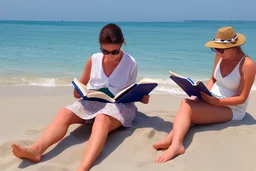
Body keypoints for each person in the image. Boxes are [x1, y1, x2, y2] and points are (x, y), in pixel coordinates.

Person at [11, 23, 150, 171]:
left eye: (114, 52)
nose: (109, 56)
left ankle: (83, 168)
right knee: (64, 112)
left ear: (122, 44)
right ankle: (36, 150)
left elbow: (130, 90)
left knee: (102, 118)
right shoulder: (93, 59)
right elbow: (81, 84)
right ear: (100, 46)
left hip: (119, 107)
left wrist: (141, 97)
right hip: (93, 102)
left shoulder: (130, 63)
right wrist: (78, 92)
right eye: (105, 51)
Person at [153, 26, 255, 163]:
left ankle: (176, 143)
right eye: (216, 48)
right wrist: (201, 93)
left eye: (221, 49)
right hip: (213, 98)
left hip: (233, 108)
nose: (218, 52)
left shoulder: (247, 64)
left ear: (234, 46)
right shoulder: (219, 56)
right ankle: (172, 139)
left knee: (188, 108)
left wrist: (216, 102)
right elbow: (213, 79)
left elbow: (242, 99)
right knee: (187, 102)